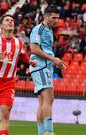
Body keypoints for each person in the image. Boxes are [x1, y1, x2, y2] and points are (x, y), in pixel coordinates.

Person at [29, 5, 66, 135]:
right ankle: (49, 132)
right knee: (49, 98)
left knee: (42, 101)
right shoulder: (39, 29)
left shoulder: (49, 31)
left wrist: (55, 61)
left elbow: (45, 50)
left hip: (44, 66)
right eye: (54, 17)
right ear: (46, 16)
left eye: (58, 18)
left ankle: (41, 133)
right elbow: (34, 48)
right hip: (41, 66)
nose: (56, 20)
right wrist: (53, 59)